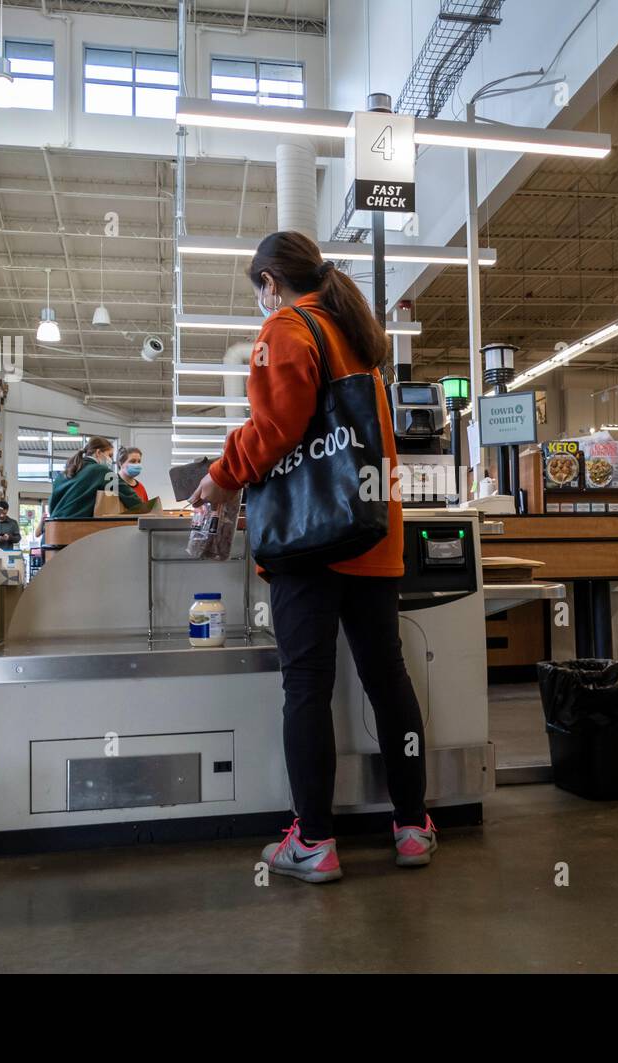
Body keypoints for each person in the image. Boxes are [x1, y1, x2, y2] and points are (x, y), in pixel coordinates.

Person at [196, 231, 434, 884]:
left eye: (257, 293)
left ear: (270, 281)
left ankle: (316, 841)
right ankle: (412, 825)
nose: (258, 306)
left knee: (307, 687)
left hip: (309, 540)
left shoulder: (287, 328)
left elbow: (278, 428)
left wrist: (222, 474)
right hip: (370, 533)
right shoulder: (357, 338)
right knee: (389, 678)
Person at [48, 436, 140, 519]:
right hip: (72, 530)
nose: (111, 460)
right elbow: (130, 497)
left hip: (52, 531)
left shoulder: (64, 474)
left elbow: (51, 507)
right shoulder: (102, 472)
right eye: (110, 455)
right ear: (98, 452)